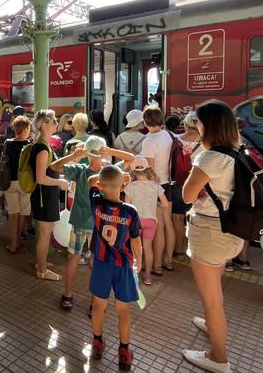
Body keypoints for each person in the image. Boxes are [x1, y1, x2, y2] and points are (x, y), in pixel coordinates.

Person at [182, 99, 244, 373]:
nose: (196, 127)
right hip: (231, 231)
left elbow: (187, 195)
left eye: (198, 123)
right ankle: (211, 324)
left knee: (212, 300)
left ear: (209, 126)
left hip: (209, 232)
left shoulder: (209, 157)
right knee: (215, 285)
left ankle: (218, 358)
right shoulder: (236, 151)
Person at [58, 136, 134, 308]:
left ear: (87, 152)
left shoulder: (79, 169)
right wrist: (112, 152)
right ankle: (95, 303)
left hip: (79, 222)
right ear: (103, 151)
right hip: (101, 224)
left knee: (73, 258)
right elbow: (131, 158)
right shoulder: (110, 171)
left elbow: (55, 167)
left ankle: (68, 296)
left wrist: (73, 156)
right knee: (97, 263)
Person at [88, 165, 142, 372]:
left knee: (98, 306)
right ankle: (124, 350)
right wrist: (139, 261)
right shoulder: (130, 212)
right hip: (124, 266)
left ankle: (97, 341)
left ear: (100, 186)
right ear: (124, 185)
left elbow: (90, 182)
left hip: (102, 263)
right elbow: (136, 241)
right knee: (123, 311)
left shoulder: (97, 204)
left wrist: (100, 179)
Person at [30, 110, 74, 281]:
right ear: (44, 124)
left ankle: (41, 262)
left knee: (45, 234)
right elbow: (41, 178)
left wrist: (60, 178)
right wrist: (59, 182)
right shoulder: (42, 148)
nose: (57, 122)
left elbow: (49, 172)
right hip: (44, 196)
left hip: (46, 195)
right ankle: (41, 270)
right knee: (44, 235)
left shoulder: (43, 145)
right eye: (53, 120)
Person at [124, 156, 169, 285]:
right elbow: (165, 205)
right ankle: (148, 276)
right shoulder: (156, 186)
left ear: (133, 171)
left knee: (134, 248)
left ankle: (133, 274)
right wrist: (157, 205)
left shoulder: (130, 187)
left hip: (135, 222)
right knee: (148, 248)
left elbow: (127, 206)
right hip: (151, 221)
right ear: (148, 169)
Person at [141, 105, 174, 275]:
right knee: (168, 224)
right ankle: (168, 260)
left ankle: (157, 265)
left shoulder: (149, 141)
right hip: (168, 184)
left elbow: (150, 171)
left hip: (156, 186)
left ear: (146, 121)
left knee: (158, 226)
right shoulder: (169, 135)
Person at [171, 111, 201, 260]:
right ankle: (196, 251)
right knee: (197, 218)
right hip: (199, 185)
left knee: (177, 217)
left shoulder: (176, 139)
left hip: (179, 183)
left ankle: (179, 251)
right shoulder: (206, 142)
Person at [3, 116, 32, 254]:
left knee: (13, 214)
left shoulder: (7, 143)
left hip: (9, 182)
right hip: (25, 183)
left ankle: (13, 244)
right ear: (26, 129)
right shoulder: (29, 145)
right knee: (23, 213)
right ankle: (17, 241)